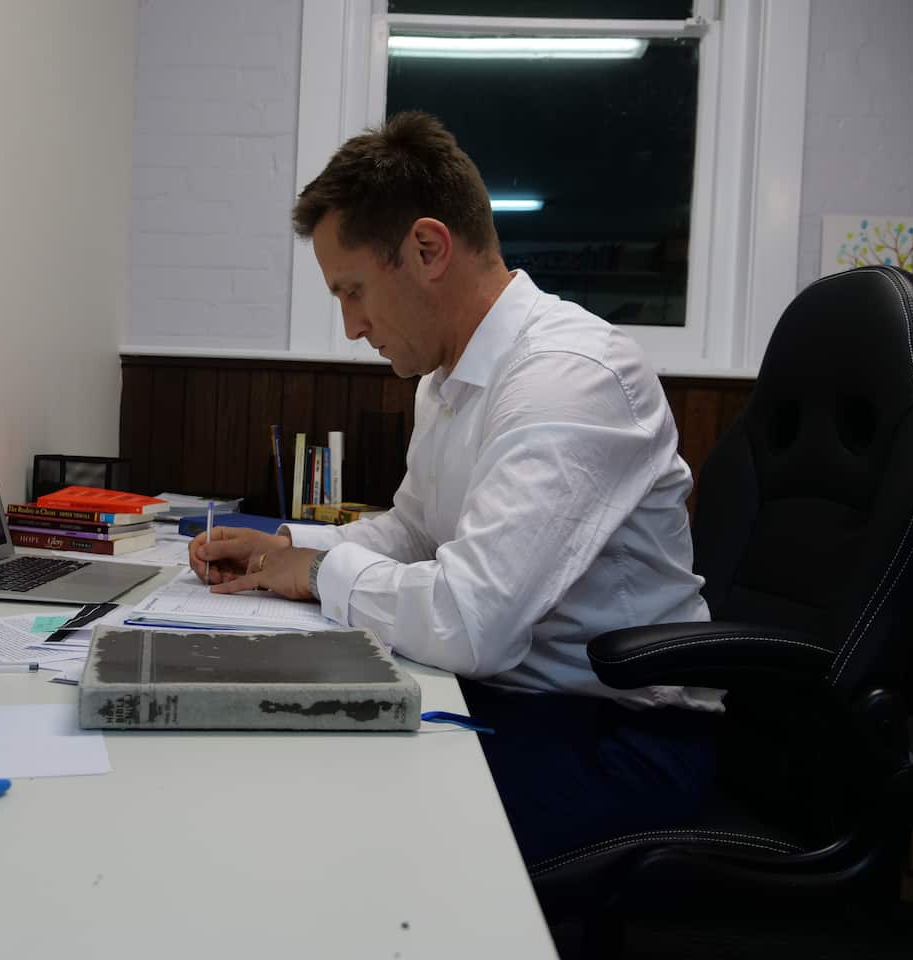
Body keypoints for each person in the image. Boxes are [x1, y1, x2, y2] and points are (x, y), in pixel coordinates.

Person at [188, 112, 722, 867]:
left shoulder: (567, 380)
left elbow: (473, 624)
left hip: (623, 738)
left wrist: (315, 573)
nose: (350, 327)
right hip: (523, 703)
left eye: (354, 291)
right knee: (293, 755)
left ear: (428, 249)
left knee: (324, 813)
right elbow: (412, 532)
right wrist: (285, 547)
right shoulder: (447, 379)